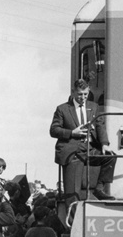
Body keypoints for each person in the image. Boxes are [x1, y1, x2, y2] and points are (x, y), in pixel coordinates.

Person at [50, 77, 117, 206]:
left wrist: (104, 144)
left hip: (89, 148)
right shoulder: (62, 109)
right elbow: (53, 130)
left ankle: (99, 189)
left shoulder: (94, 107)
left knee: (110, 157)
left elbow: (100, 125)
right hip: (72, 152)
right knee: (72, 195)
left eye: (85, 94)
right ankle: (73, 220)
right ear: (73, 92)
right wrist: (71, 133)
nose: (83, 97)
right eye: (80, 94)